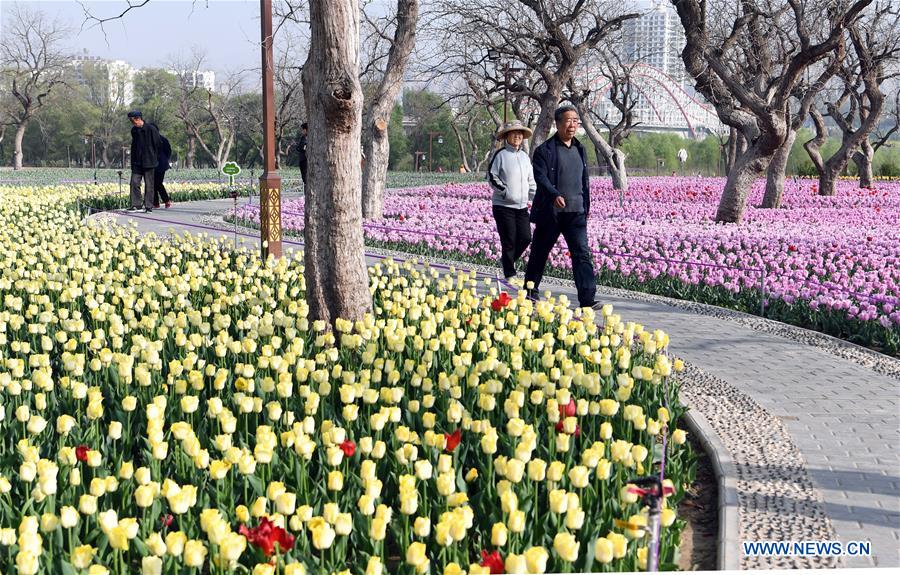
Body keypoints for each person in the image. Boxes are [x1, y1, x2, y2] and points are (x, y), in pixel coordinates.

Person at [524, 104, 599, 309]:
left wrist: (586, 207)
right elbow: (541, 177)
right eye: (568, 120)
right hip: (551, 214)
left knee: (582, 254)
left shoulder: (580, 148)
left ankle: (587, 299)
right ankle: (530, 293)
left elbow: (584, 181)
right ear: (557, 124)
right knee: (540, 253)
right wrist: (554, 194)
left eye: (576, 121)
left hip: (576, 213)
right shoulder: (544, 151)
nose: (573, 124)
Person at [488, 119, 536, 280]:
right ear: (507, 136)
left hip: (522, 206)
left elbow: (531, 180)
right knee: (509, 239)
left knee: (525, 238)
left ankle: (506, 261)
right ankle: (509, 273)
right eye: (514, 133)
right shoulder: (500, 155)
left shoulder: (524, 156)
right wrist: (505, 191)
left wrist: (537, 197)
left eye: (520, 133)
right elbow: (491, 176)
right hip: (503, 205)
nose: (517, 136)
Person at [126, 110, 161, 213]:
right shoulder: (134, 131)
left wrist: (153, 157)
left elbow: (158, 144)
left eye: (132, 121)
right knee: (134, 183)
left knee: (149, 184)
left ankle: (148, 206)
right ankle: (136, 205)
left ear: (138, 119)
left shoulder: (151, 129)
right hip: (137, 162)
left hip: (149, 162)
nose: (132, 124)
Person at [152, 125, 172, 209]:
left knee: (157, 183)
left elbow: (168, 151)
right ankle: (156, 203)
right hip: (155, 164)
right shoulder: (162, 139)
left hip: (160, 164)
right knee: (153, 184)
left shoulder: (161, 139)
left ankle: (166, 200)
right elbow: (169, 151)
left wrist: (164, 159)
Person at [298, 122, 308, 188]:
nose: (302, 131)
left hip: (305, 160)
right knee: (304, 178)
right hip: (302, 159)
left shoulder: (306, 138)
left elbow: (301, 147)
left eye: (302, 130)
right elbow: (299, 147)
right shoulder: (303, 137)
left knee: (306, 177)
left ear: (305, 130)